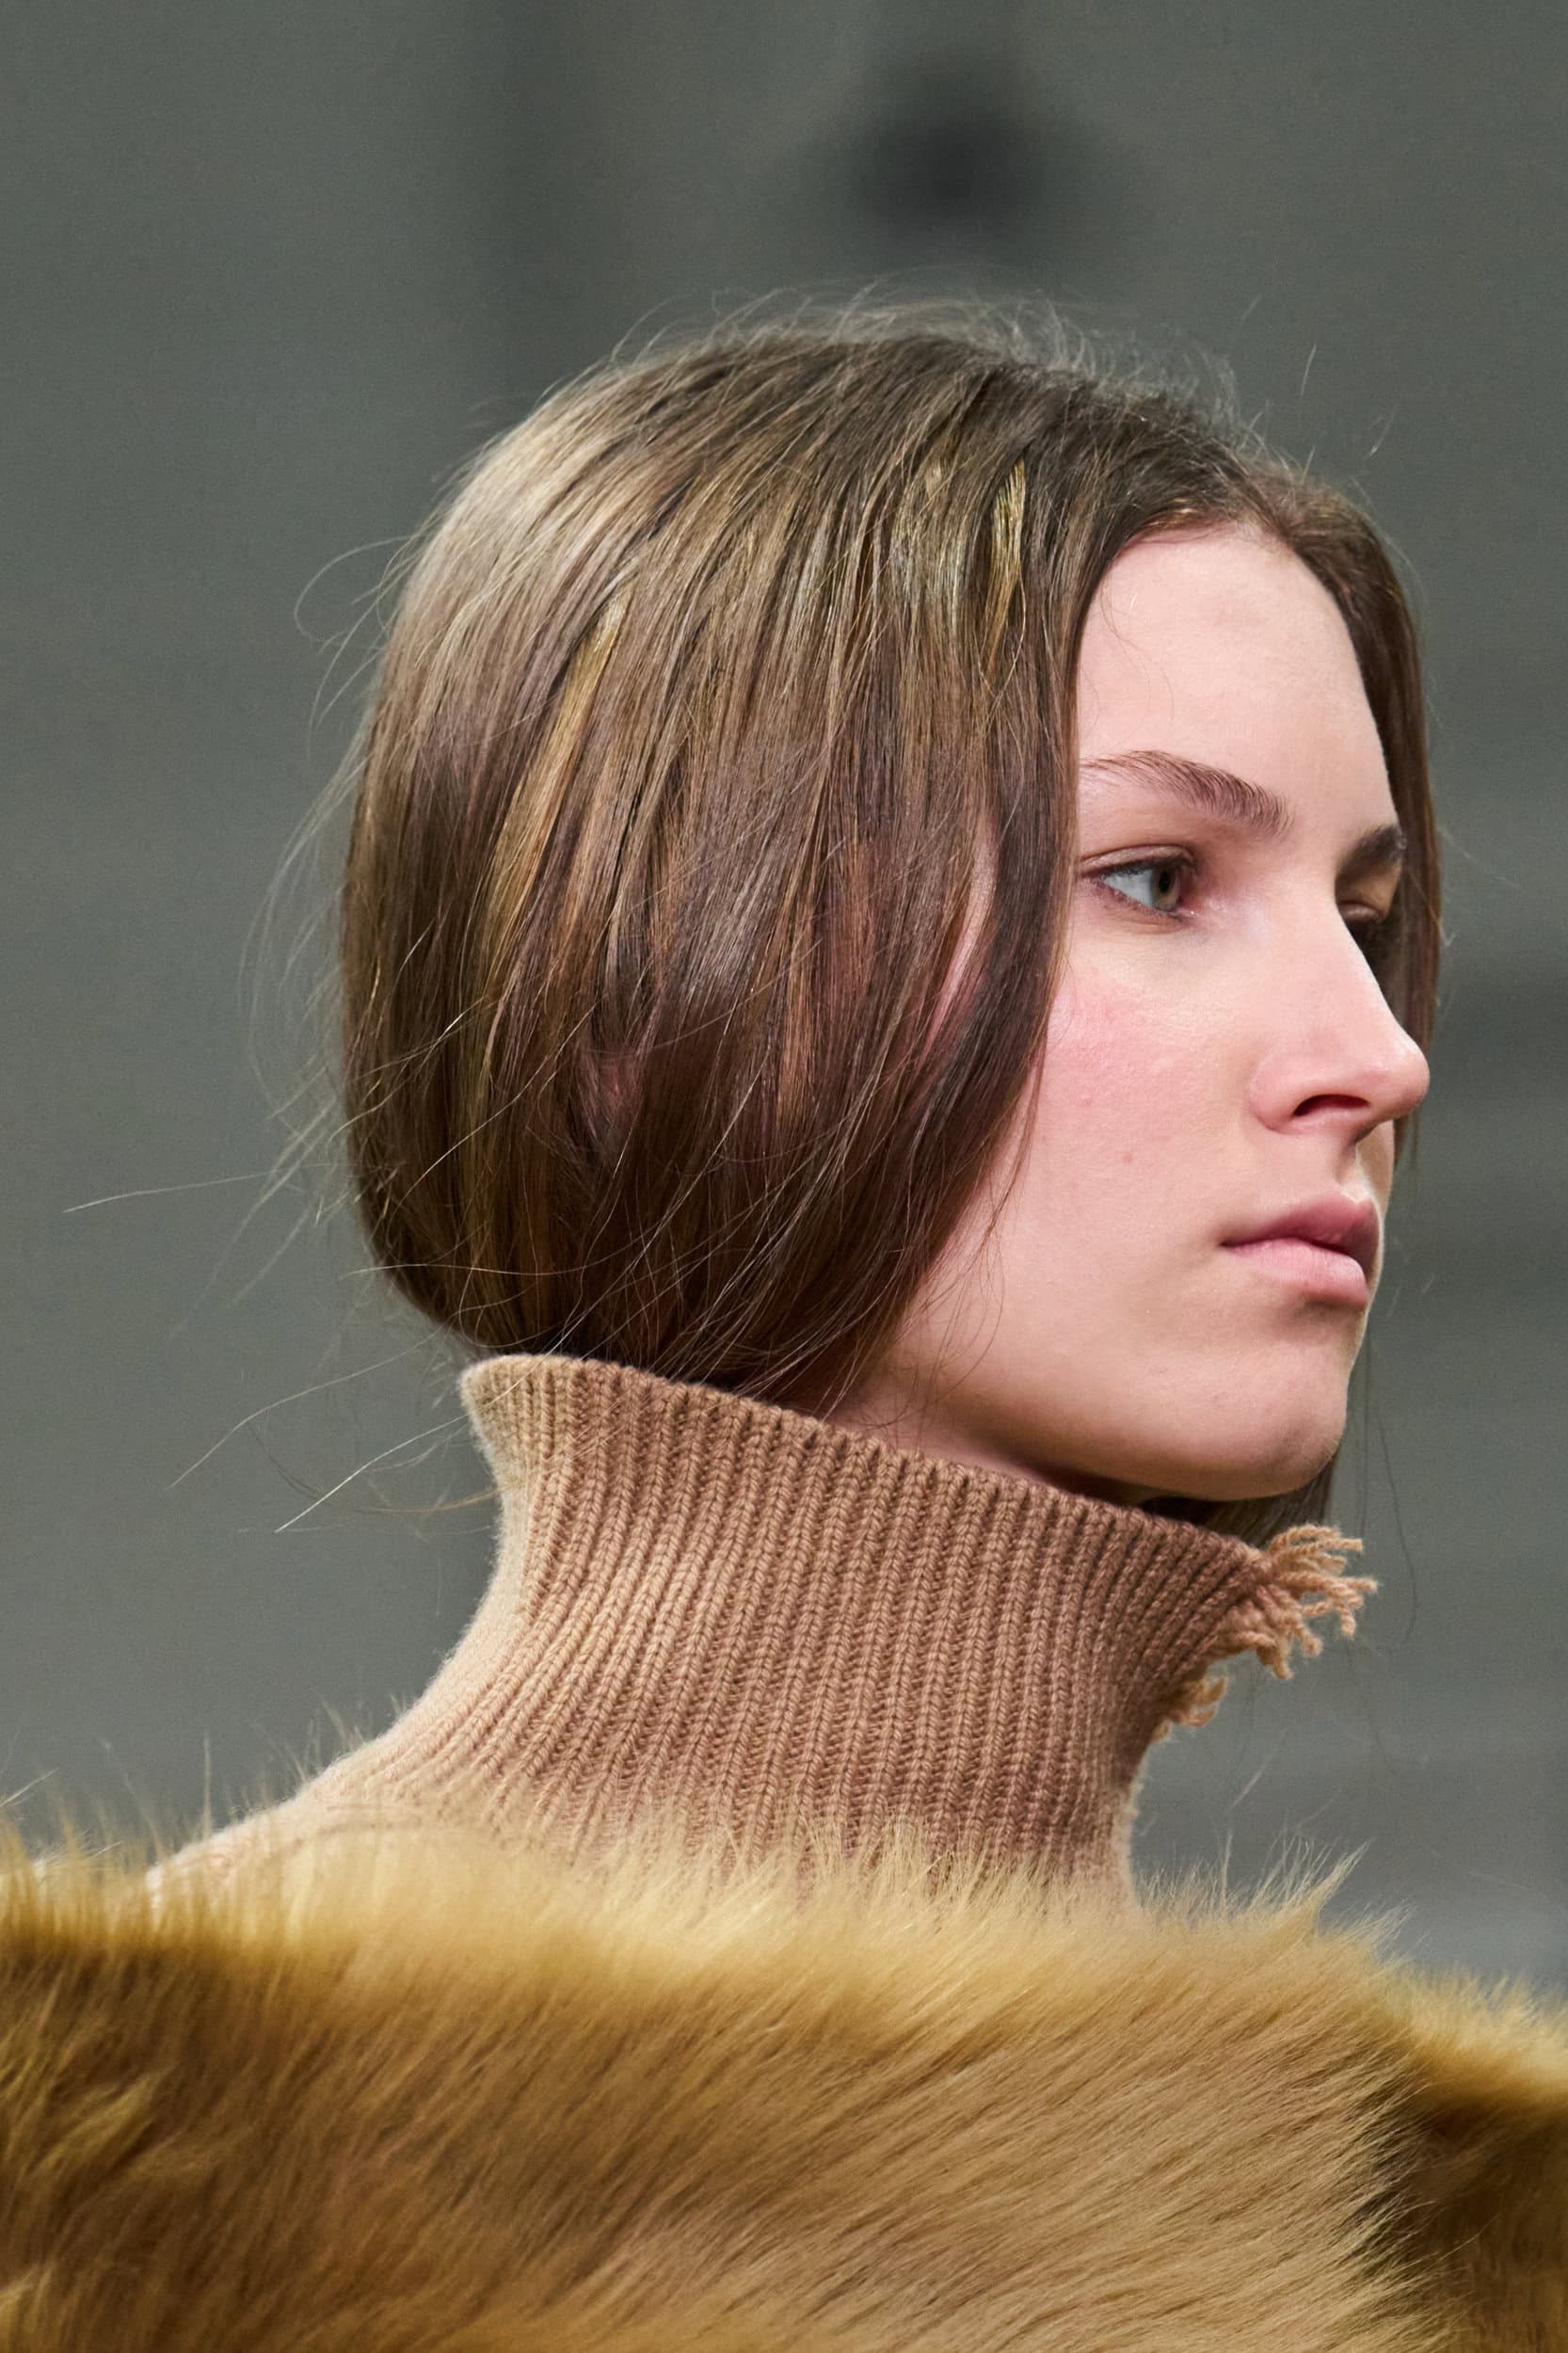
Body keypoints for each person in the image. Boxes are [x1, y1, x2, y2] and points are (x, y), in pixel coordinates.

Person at [4, 303, 1564, 2345]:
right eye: (1155, 878)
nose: (1376, 1053)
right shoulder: (137, 2175)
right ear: (639, 970)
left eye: (1362, 917)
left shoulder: (1473, 2242)